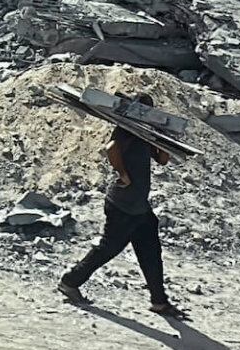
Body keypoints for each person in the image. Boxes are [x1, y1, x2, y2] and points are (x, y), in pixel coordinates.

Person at [57, 94, 182, 316]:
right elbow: (111, 148)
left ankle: (159, 301)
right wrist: (123, 174)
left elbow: (162, 160)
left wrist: (163, 136)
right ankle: (70, 281)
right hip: (123, 203)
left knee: (150, 251)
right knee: (109, 248)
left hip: (138, 205)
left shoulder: (145, 131)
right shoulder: (128, 128)